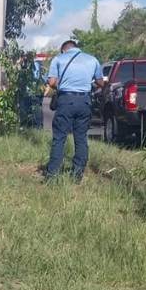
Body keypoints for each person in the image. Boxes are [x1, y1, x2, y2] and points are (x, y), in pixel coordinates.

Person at [44, 40, 104, 183]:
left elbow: (51, 82)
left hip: (66, 101)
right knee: (81, 137)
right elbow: (100, 82)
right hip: (84, 102)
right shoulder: (92, 60)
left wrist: (63, 83)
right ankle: (77, 174)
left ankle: (52, 175)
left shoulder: (58, 59)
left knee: (59, 138)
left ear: (63, 50)